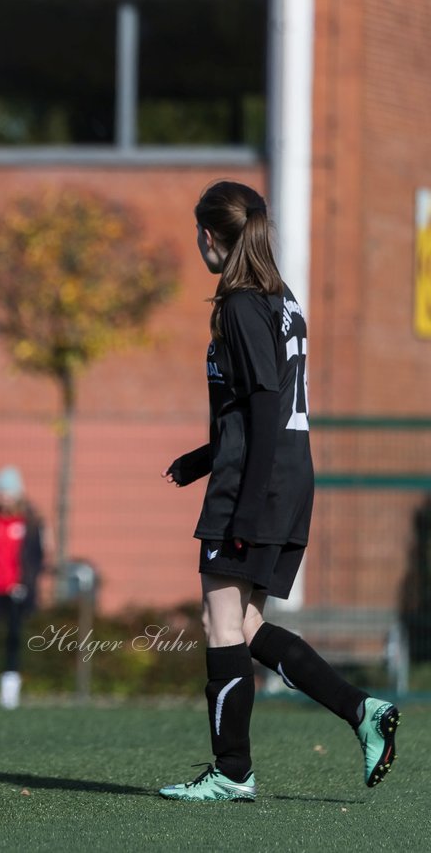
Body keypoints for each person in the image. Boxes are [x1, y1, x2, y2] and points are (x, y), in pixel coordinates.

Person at [159, 181, 399, 802]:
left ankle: (231, 771)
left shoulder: (241, 303)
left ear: (211, 236)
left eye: (197, 232)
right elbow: (258, 411)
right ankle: (361, 709)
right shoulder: (280, 299)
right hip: (288, 477)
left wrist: (242, 501)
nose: (197, 242)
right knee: (245, 623)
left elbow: (266, 405)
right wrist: (200, 460)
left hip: (258, 485)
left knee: (220, 622)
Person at [0, 466, 44, 710]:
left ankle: (10, 688)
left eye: (8, 492)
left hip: (16, 589)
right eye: (0, 492)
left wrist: (27, 584)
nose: (3, 497)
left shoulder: (30, 521)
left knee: (14, 637)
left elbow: (36, 556)